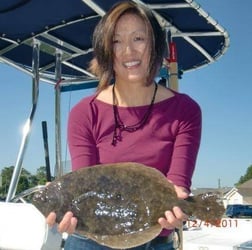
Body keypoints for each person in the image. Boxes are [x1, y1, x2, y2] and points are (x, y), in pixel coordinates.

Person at [47, 1, 202, 249]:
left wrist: (179, 201)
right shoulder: (84, 112)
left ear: (155, 45)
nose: (128, 50)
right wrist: (66, 208)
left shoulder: (186, 111)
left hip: (156, 239)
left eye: (138, 38)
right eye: (116, 41)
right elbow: (84, 183)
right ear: (105, 50)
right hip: (93, 241)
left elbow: (177, 184)